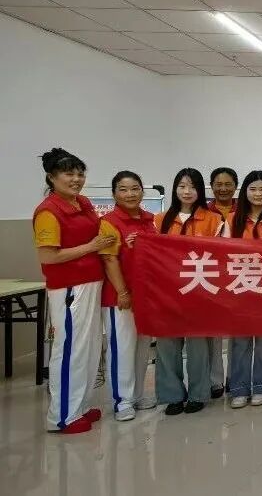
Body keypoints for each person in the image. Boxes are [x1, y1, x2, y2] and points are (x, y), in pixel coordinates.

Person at [34, 148, 113, 434]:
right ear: (51, 177)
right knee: (70, 350)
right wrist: (91, 247)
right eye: (69, 174)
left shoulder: (82, 203)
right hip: (70, 288)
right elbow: (48, 256)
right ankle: (62, 416)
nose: (76, 179)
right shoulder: (48, 211)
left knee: (89, 347)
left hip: (92, 283)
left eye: (80, 174)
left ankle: (79, 406)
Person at [154, 168, 223, 415]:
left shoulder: (214, 219)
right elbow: (153, 255)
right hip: (166, 292)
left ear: (200, 190)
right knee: (166, 345)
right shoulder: (159, 220)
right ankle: (172, 395)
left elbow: (220, 255)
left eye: (192, 187)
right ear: (175, 189)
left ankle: (198, 394)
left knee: (198, 346)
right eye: (182, 186)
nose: (187, 191)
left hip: (199, 291)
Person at [97, 171, 158, 422]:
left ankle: (137, 394)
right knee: (122, 348)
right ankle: (122, 400)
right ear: (114, 194)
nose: (130, 194)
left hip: (145, 296)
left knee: (142, 348)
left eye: (135, 188)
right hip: (119, 297)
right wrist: (122, 291)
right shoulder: (109, 222)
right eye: (123, 189)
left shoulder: (149, 220)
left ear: (142, 191)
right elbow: (109, 259)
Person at [225, 171, 262, 409]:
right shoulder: (231, 220)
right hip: (239, 288)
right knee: (240, 341)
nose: (258, 194)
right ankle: (239, 389)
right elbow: (222, 254)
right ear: (245, 192)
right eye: (253, 189)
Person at [207, 167, 238, 399]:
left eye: (228, 184)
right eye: (219, 184)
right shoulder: (204, 211)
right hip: (212, 279)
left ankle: (234, 379)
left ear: (236, 186)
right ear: (211, 186)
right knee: (214, 331)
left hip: (239, 278)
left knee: (238, 332)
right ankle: (215, 380)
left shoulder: (244, 209)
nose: (223, 188)